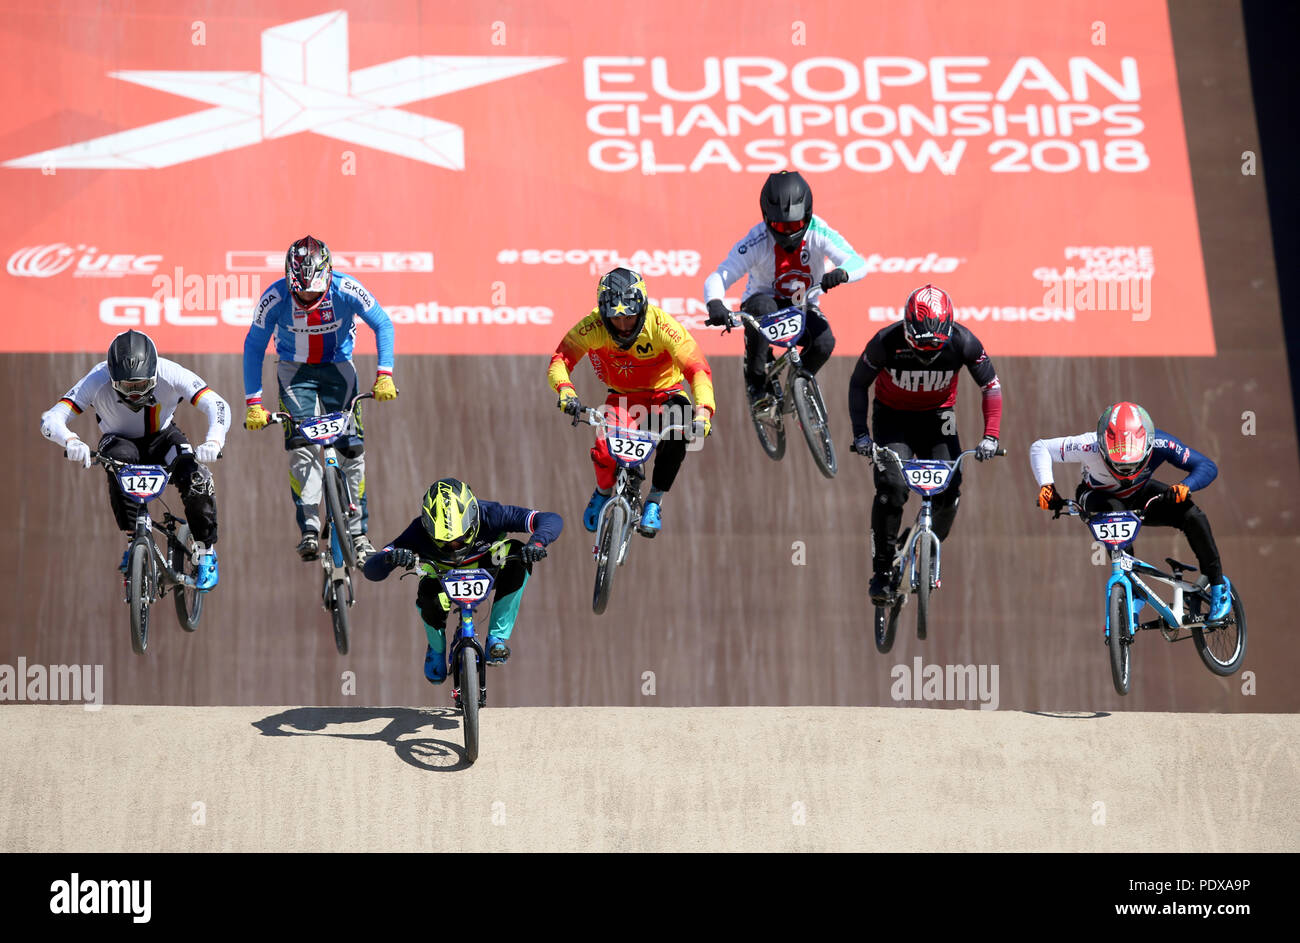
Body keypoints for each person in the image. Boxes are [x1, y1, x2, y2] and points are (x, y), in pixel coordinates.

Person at [242, 235, 397, 563]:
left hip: (338, 370)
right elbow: (254, 346)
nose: (308, 297)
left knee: (353, 451)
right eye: (301, 292)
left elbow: (382, 323)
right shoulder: (275, 297)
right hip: (294, 372)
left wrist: (385, 374)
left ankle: (358, 533)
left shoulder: (346, 287)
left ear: (328, 276)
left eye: (315, 291)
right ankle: (310, 527)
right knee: (302, 448)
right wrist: (253, 403)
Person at [848, 285, 1003, 604]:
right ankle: (881, 571)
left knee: (950, 489)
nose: (927, 354)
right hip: (893, 418)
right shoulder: (884, 342)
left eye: (935, 347)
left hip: (938, 417)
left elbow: (990, 386)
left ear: (949, 332)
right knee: (892, 489)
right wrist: (861, 434)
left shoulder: (965, 341)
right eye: (920, 345)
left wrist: (991, 435)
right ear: (905, 327)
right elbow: (858, 383)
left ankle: (931, 547)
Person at [39, 329, 228, 589]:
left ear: (153, 373)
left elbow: (216, 404)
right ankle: (133, 540)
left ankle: (206, 551)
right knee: (116, 463)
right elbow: (51, 418)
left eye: (141, 385)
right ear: (112, 377)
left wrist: (214, 440)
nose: (135, 395)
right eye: (127, 387)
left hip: (163, 437)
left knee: (196, 477)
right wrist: (70, 440)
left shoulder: (170, 372)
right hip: (119, 440)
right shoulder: (97, 378)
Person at [1029, 401, 1232, 620]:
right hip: (1097, 496)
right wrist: (1047, 485)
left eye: (1134, 466)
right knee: (1114, 512)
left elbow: (1207, 466)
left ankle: (1218, 584)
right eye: (1118, 466)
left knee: (1192, 514)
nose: (1126, 474)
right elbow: (1040, 447)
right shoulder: (1089, 445)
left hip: (1141, 494)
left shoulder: (1161, 443)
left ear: (1147, 447)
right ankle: (1133, 589)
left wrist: (1186, 486)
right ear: (1103, 446)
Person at [549, 267, 714, 536]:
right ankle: (602, 492)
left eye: (630, 317)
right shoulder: (591, 326)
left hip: (666, 394)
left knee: (679, 432)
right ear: (603, 315)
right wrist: (566, 392)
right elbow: (560, 361)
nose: (624, 326)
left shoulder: (662, 325)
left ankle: (654, 502)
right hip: (622, 398)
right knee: (604, 449)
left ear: (643, 308)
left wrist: (704, 411)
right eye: (616, 319)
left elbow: (697, 369)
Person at [361, 478, 562, 684]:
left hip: (487, 568)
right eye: (444, 542)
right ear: (428, 526)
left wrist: (537, 543)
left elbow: (550, 519)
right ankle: (436, 647)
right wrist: (390, 557)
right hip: (441, 575)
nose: (454, 546)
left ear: (474, 519)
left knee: (518, 553)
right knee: (427, 590)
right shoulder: (417, 530)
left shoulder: (491, 514)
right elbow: (371, 571)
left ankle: (496, 637)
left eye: (461, 538)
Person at [703, 170, 867, 406]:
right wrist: (715, 303)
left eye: (796, 224)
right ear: (767, 219)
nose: (788, 232)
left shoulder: (820, 231)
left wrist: (842, 273)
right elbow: (720, 276)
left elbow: (857, 262)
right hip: (763, 303)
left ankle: (798, 383)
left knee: (824, 343)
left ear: (808, 216)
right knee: (762, 305)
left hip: (803, 305)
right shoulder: (756, 240)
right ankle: (756, 377)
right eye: (780, 225)